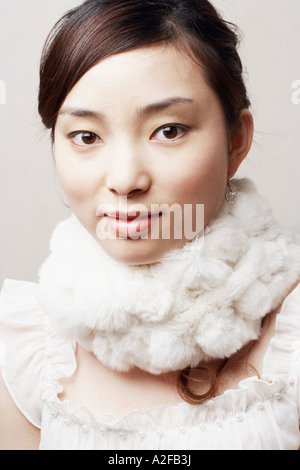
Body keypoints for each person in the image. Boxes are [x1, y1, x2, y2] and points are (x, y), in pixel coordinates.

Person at [0, 0, 299, 451]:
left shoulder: (292, 333)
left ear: (237, 140)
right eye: (86, 136)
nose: (124, 179)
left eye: (169, 130)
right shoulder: (23, 344)